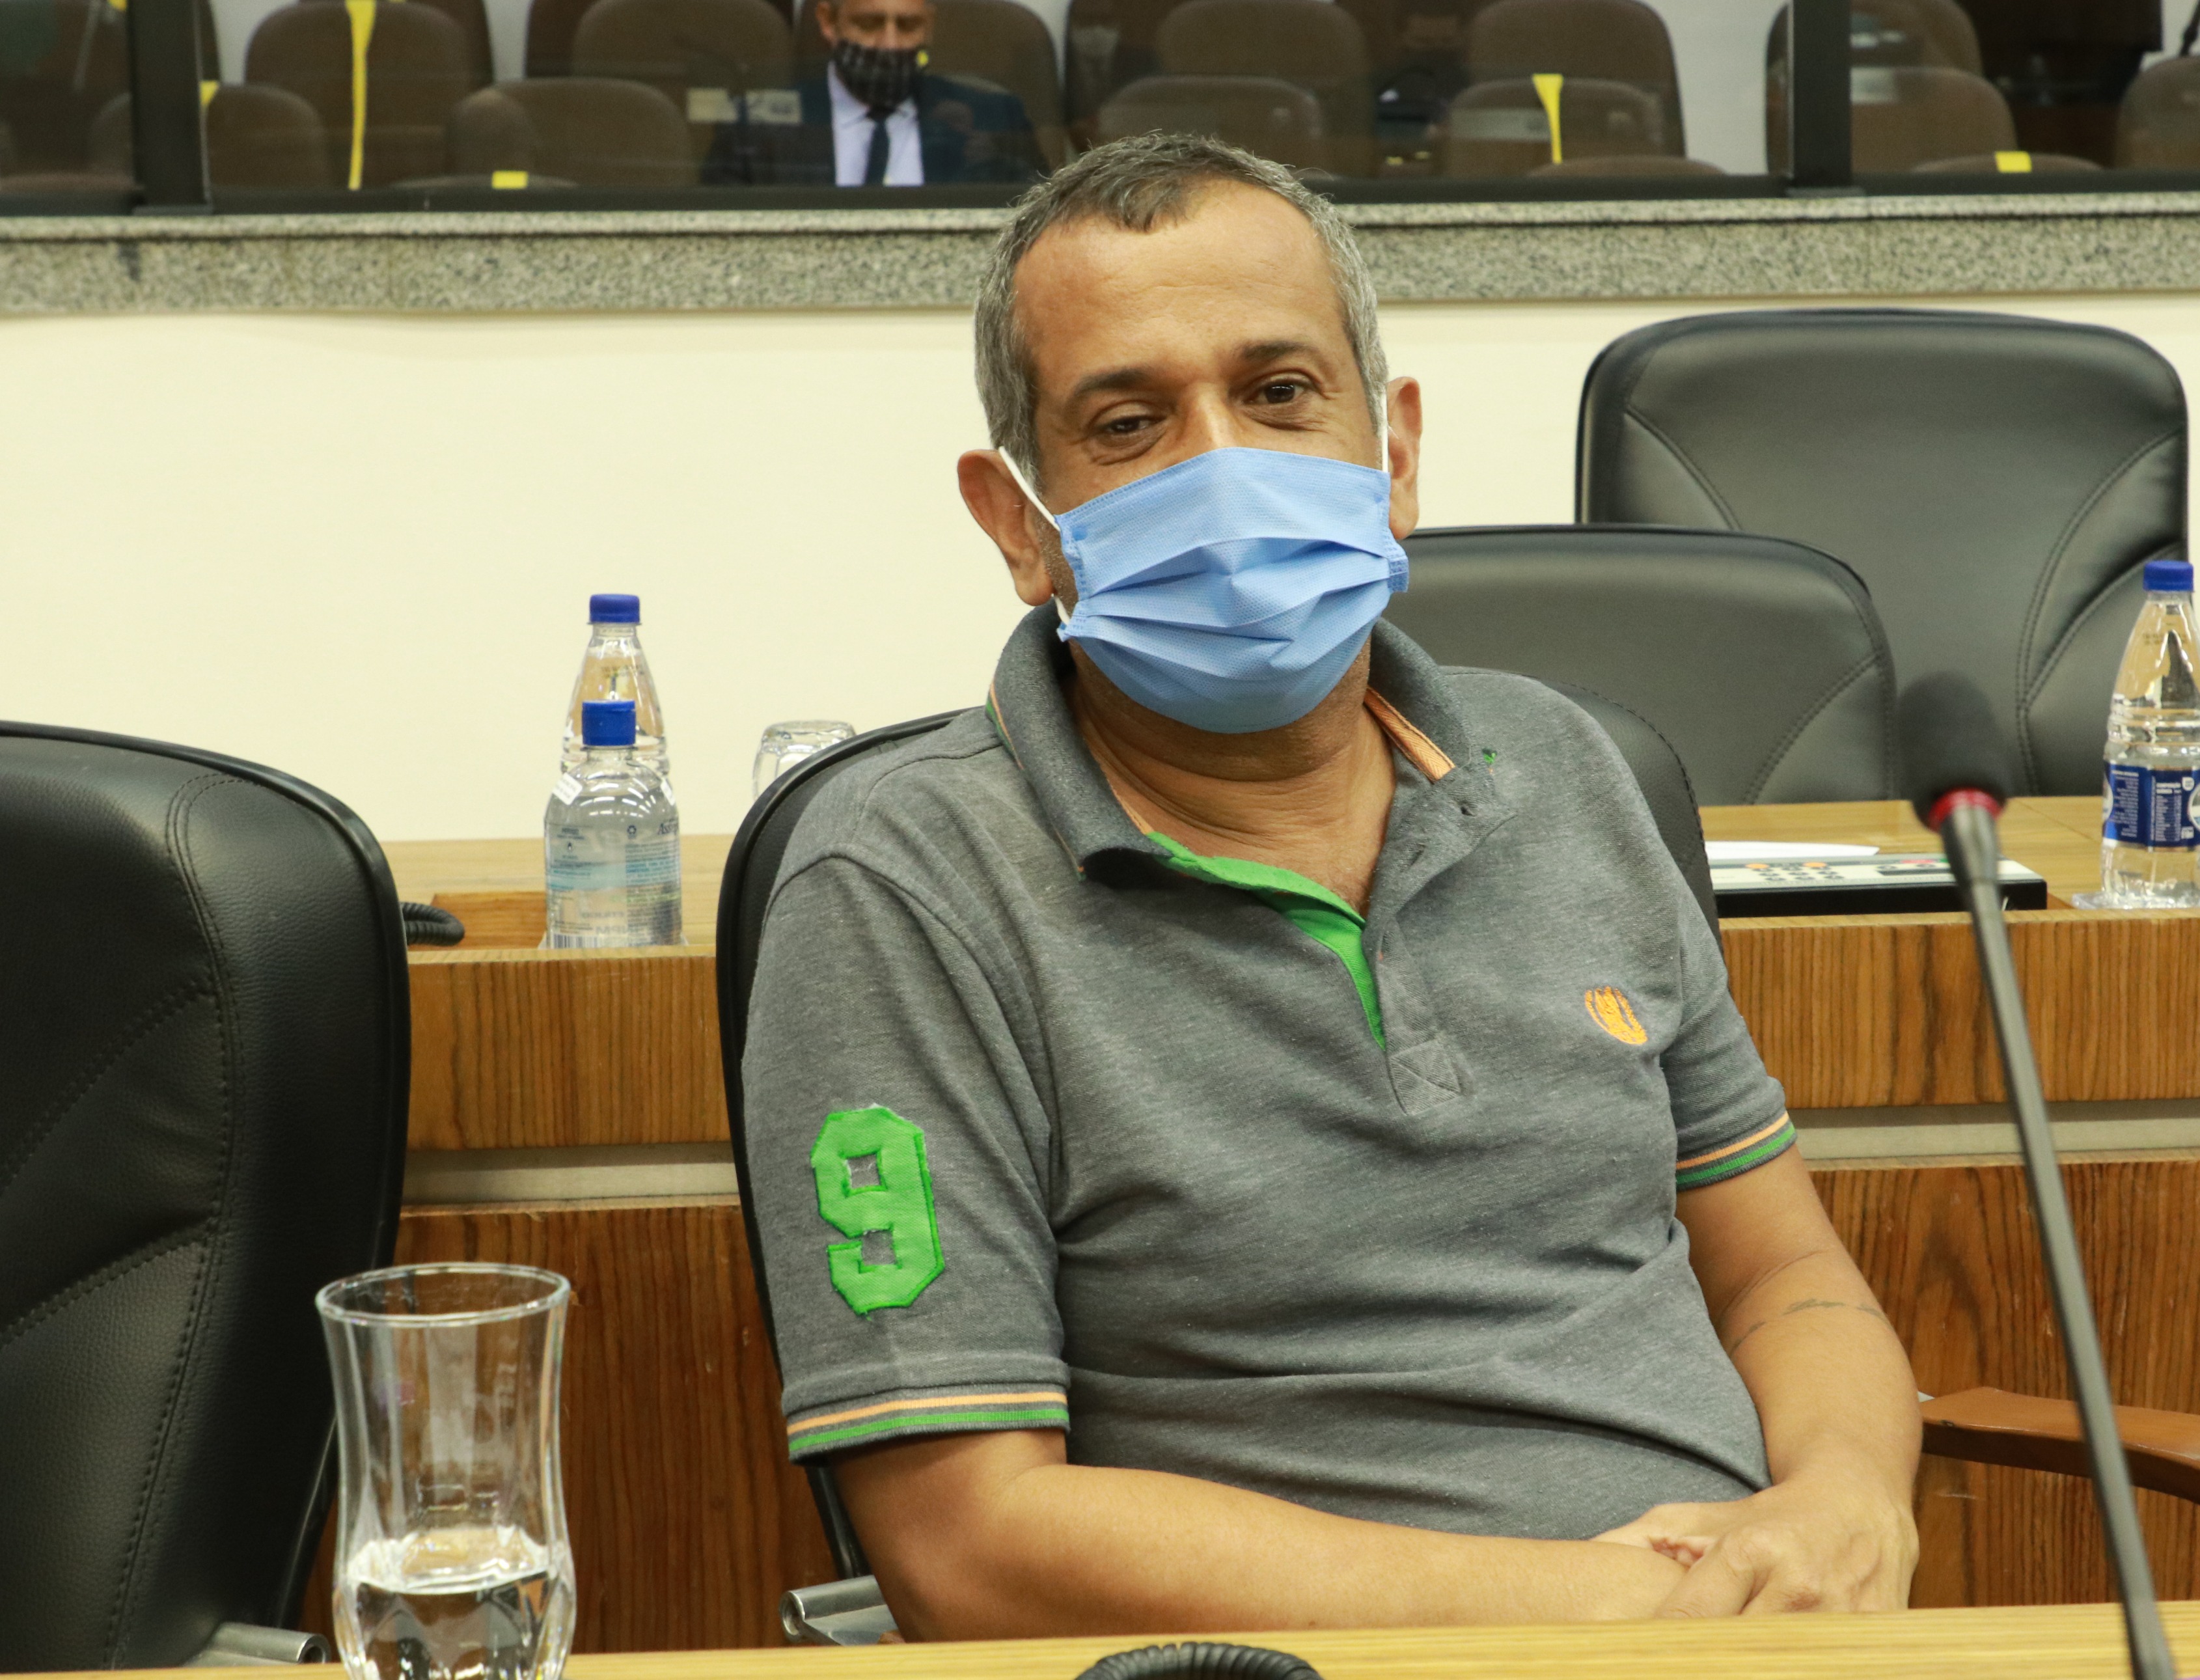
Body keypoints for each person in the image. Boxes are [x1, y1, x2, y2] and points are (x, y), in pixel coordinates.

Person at [741, 131, 1921, 1639]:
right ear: (1020, 524)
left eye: (1281, 392)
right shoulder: (902, 884)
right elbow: (968, 1542)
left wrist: (1844, 1502)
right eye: (1128, 422)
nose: (1222, 467)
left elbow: (1787, 1275)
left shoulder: (1563, 767)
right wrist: (1613, 1610)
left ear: (1395, 454)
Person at [703, 0, 1043, 187]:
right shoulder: (756, 126)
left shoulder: (996, 120)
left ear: (929, 27)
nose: (890, 44)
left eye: (908, 26)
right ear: (828, 22)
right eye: (869, 24)